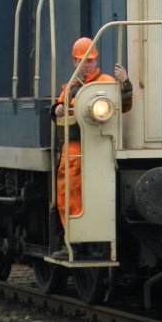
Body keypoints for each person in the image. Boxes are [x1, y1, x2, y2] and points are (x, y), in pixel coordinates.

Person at [53, 37, 132, 233]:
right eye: (81, 61)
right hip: (74, 147)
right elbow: (57, 108)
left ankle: (90, 233)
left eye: (89, 60)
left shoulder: (108, 83)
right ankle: (72, 233)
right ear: (74, 62)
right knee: (66, 191)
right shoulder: (70, 87)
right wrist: (57, 109)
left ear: (96, 60)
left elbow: (124, 106)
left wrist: (125, 82)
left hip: (99, 144)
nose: (86, 65)